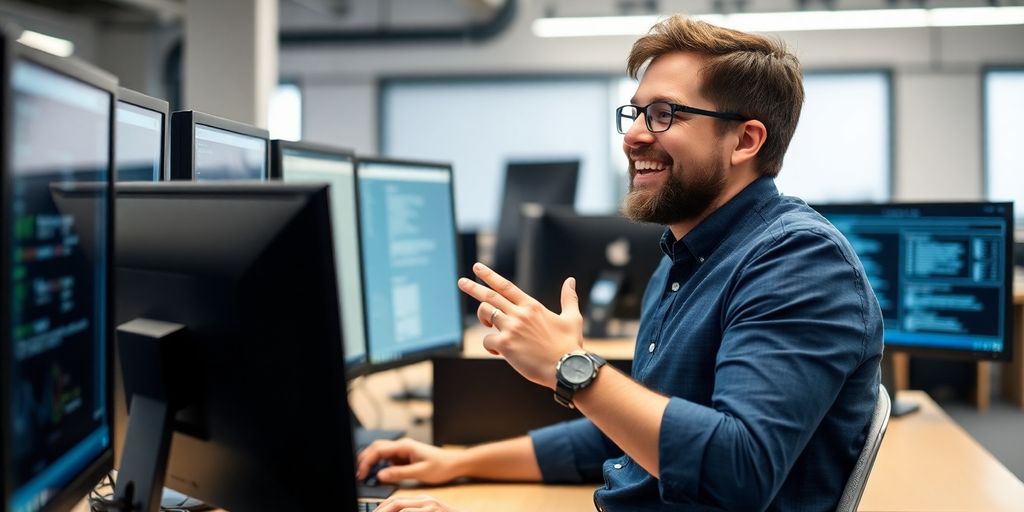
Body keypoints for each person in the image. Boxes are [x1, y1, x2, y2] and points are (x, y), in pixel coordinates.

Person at [358, 14, 883, 512]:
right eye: (635, 112)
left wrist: (573, 369)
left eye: (665, 114)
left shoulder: (798, 261)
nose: (633, 136)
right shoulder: (686, 259)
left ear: (745, 140)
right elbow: (625, 432)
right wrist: (458, 463)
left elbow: (737, 471)